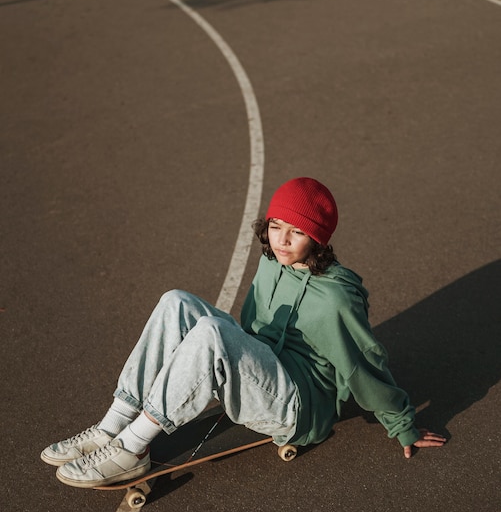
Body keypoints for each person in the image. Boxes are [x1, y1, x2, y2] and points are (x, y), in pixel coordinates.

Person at [41, 177, 446, 488]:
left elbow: (362, 366)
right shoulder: (273, 261)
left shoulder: (337, 300)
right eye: (276, 226)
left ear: (318, 237)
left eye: (297, 232)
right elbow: (253, 328)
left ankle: (132, 447)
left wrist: (402, 424)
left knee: (213, 332)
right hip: (264, 369)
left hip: (298, 405)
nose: (282, 240)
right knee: (176, 301)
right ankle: (113, 426)